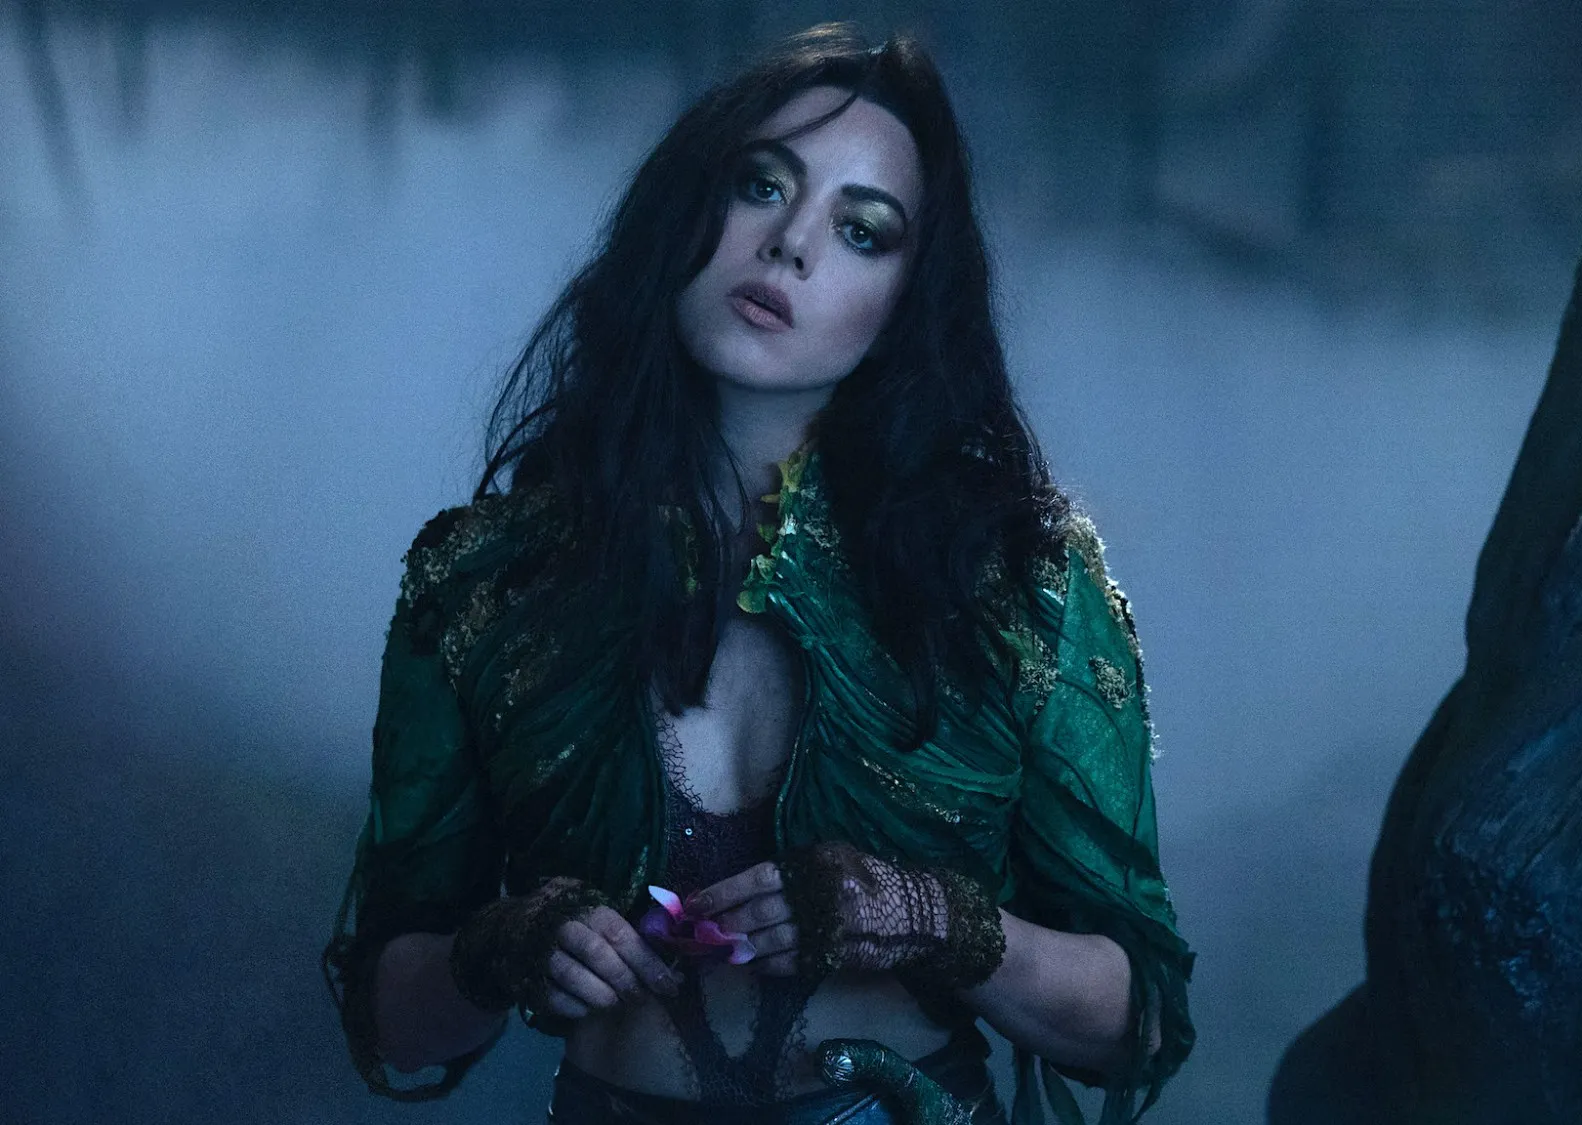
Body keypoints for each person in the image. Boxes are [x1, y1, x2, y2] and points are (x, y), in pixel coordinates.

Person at [321, 23, 1194, 1125]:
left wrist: (940, 922)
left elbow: (1137, 1023)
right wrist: (498, 950)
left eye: (862, 231)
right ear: (683, 210)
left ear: (905, 304)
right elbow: (393, 1017)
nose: (790, 245)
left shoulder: (1020, 584)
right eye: (761, 185)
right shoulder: (481, 583)